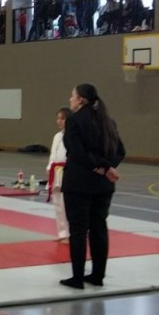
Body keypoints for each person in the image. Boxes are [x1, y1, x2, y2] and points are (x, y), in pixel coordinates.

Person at [60, 83, 125, 289]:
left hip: (79, 183)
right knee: (99, 228)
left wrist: (100, 166)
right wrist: (107, 168)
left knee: (78, 231)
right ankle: (98, 275)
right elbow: (120, 151)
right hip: (103, 186)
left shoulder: (74, 121)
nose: (70, 100)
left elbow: (77, 152)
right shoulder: (108, 121)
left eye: (72, 96)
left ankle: (77, 277)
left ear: (80, 100)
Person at [46, 107, 71, 245]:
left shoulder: (73, 135)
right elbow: (53, 154)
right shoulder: (57, 136)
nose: (58, 121)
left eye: (62, 118)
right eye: (58, 118)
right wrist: (49, 167)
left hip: (67, 171)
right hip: (55, 171)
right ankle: (62, 233)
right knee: (58, 203)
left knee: (67, 203)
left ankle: (71, 233)